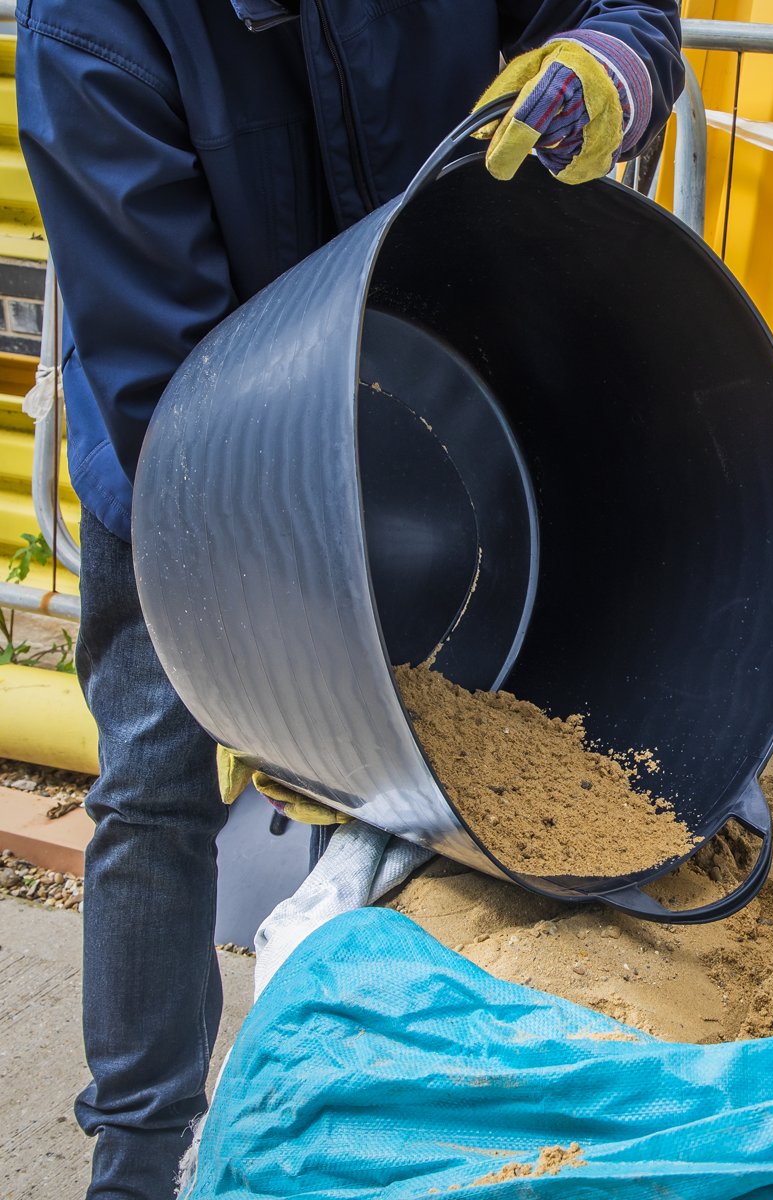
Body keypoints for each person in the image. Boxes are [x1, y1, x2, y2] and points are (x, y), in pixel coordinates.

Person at [15, 3, 682, 1197]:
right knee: (156, 790)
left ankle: (348, 1148)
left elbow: (618, 8)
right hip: (183, 459)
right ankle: (137, 1160)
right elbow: (166, 384)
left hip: (414, 404)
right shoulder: (95, 29)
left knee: (399, 811)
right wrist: (286, 670)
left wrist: (617, 60)